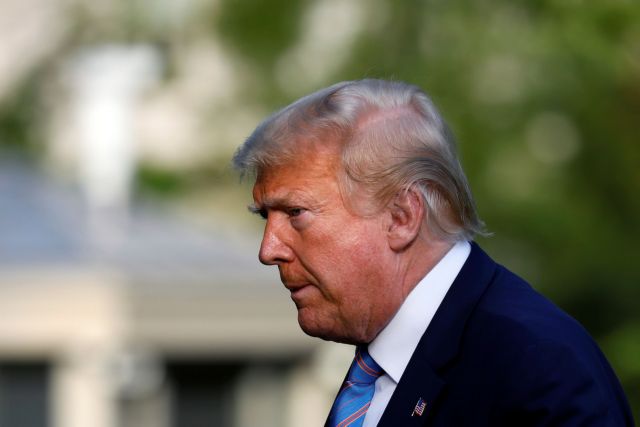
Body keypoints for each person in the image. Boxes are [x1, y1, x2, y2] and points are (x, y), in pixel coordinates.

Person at [232, 79, 634, 426]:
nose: (269, 249)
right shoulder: (382, 367)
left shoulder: (539, 371)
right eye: (265, 216)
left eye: (295, 213)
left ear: (402, 217)